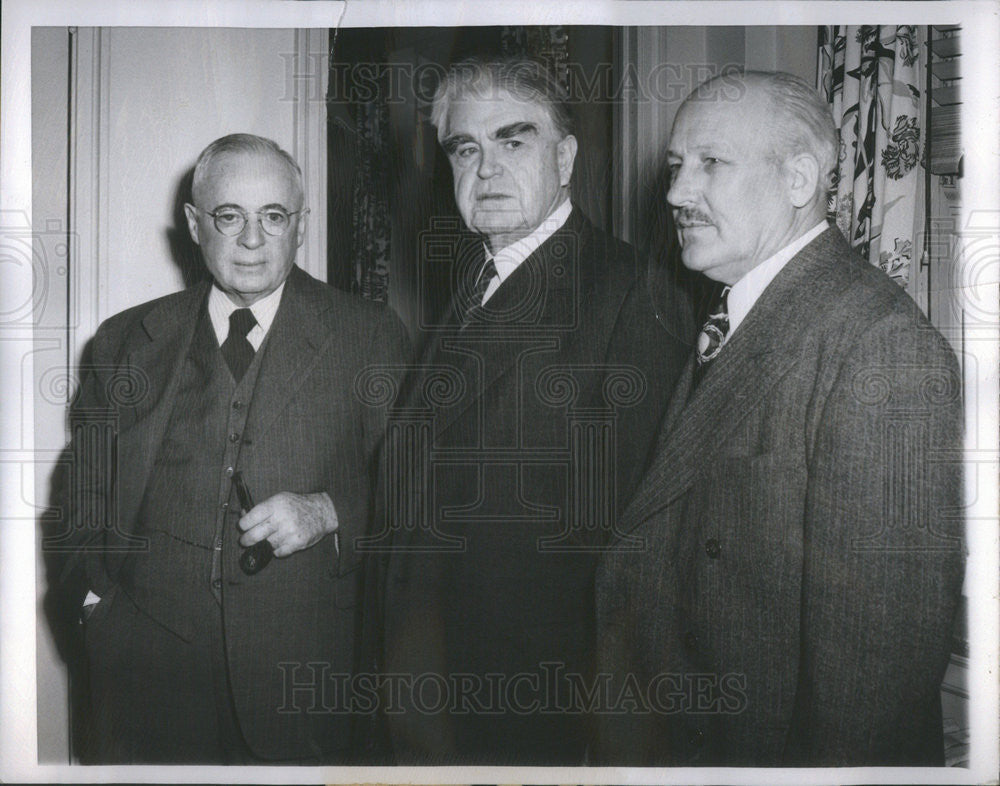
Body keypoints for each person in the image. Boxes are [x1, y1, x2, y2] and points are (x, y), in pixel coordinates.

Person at [593, 71, 965, 766]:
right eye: (676, 166)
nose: (675, 193)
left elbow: (873, 681)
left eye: (711, 163)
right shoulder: (736, 313)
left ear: (799, 180)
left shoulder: (879, 345)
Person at [56, 133, 409, 763]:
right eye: (230, 216)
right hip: (145, 679)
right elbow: (82, 488)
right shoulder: (124, 340)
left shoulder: (369, 335)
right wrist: (93, 604)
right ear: (195, 225)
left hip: (300, 677)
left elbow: (413, 486)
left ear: (299, 226)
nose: (252, 240)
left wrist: (329, 510)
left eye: (273, 217)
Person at [376, 57, 690, 764]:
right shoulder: (472, 284)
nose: (485, 169)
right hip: (424, 685)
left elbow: (641, 551)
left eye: (512, 141)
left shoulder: (630, 292)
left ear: (566, 156)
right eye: (465, 149)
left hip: (533, 701)